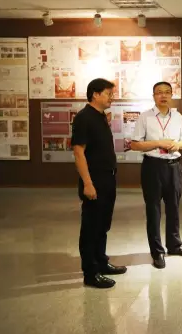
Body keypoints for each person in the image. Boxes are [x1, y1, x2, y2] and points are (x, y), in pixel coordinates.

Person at [131, 81, 182, 270]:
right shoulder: (145, 117)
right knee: (154, 210)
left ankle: (174, 245)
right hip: (153, 167)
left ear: (171, 95)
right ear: (153, 96)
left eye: (167, 92)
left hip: (174, 167)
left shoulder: (178, 116)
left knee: (174, 207)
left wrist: (176, 145)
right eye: (159, 92)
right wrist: (158, 143)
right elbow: (135, 144)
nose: (163, 95)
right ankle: (157, 251)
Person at [72, 78, 126, 289]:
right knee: (91, 227)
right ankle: (91, 272)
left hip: (108, 178)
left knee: (103, 224)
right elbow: (78, 152)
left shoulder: (100, 116)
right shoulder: (84, 117)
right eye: (108, 94)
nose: (112, 97)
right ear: (95, 94)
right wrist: (88, 183)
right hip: (94, 180)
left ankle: (101, 262)